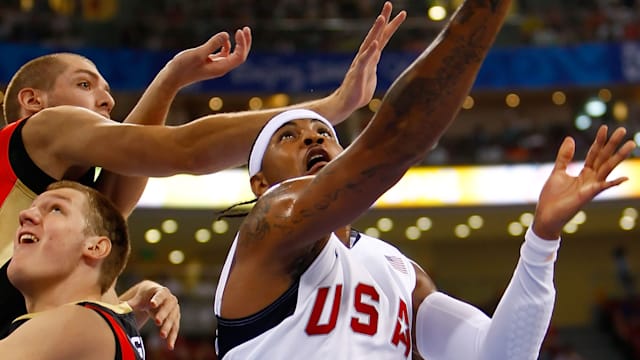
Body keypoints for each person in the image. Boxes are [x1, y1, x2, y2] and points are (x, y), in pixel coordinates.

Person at [212, 3, 638, 360]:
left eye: (325, 133)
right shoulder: (271, 224)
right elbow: (394, 145)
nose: (312, 136)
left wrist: (542, 239)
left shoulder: (395, 269)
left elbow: (498, 355)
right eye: (288, 136)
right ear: (260, 182)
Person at [0, 1, 405, 347]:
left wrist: (172, 77)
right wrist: (329, 108)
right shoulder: (45, 127)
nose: (106, 98)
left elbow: (128, 168)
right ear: (34, 102)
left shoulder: (58, 216)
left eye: (106, 89)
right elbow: (184, 150)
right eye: (86, 84)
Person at [0, 180, 145, 359]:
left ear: (95, 247)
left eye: (56, 209)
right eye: (31, 207)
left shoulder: (81, 322)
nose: (24, 215)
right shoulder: (105, 325)